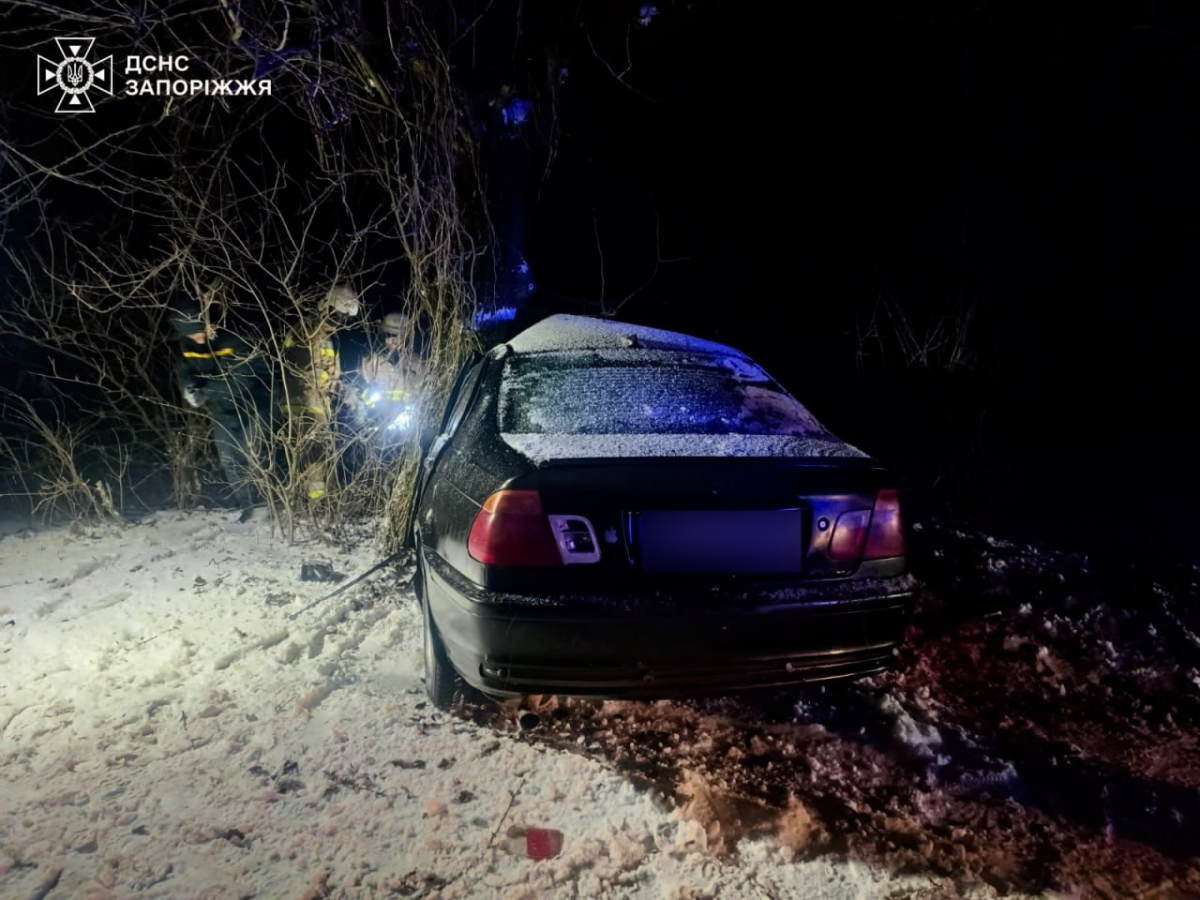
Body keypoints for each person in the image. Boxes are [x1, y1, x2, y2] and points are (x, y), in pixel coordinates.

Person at [171, 294, 272, 520]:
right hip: (221, 409)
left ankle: (267, 505)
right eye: (191, 333)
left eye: (200, 331)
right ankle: (247, 508)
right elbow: (184, 371)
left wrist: (206, 391)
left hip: (254, 403)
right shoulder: (187, 343)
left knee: (255, 454)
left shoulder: (234, 336)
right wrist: (188, 389)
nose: (198, 339)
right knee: (229, 457)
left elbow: (242, 379)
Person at [279, 284, 360, 500]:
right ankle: (316, 504)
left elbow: (328, 371)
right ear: (325, 307)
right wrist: (340, 389)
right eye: (337, 315)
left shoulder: (325, 336)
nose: (340, 321)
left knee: (319, 453)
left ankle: (317, 500)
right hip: (303, 403)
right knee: (316, 453)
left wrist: (342, 388)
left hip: (318, 403)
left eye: (344, 318)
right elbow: (308, 375)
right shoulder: (308, 332)